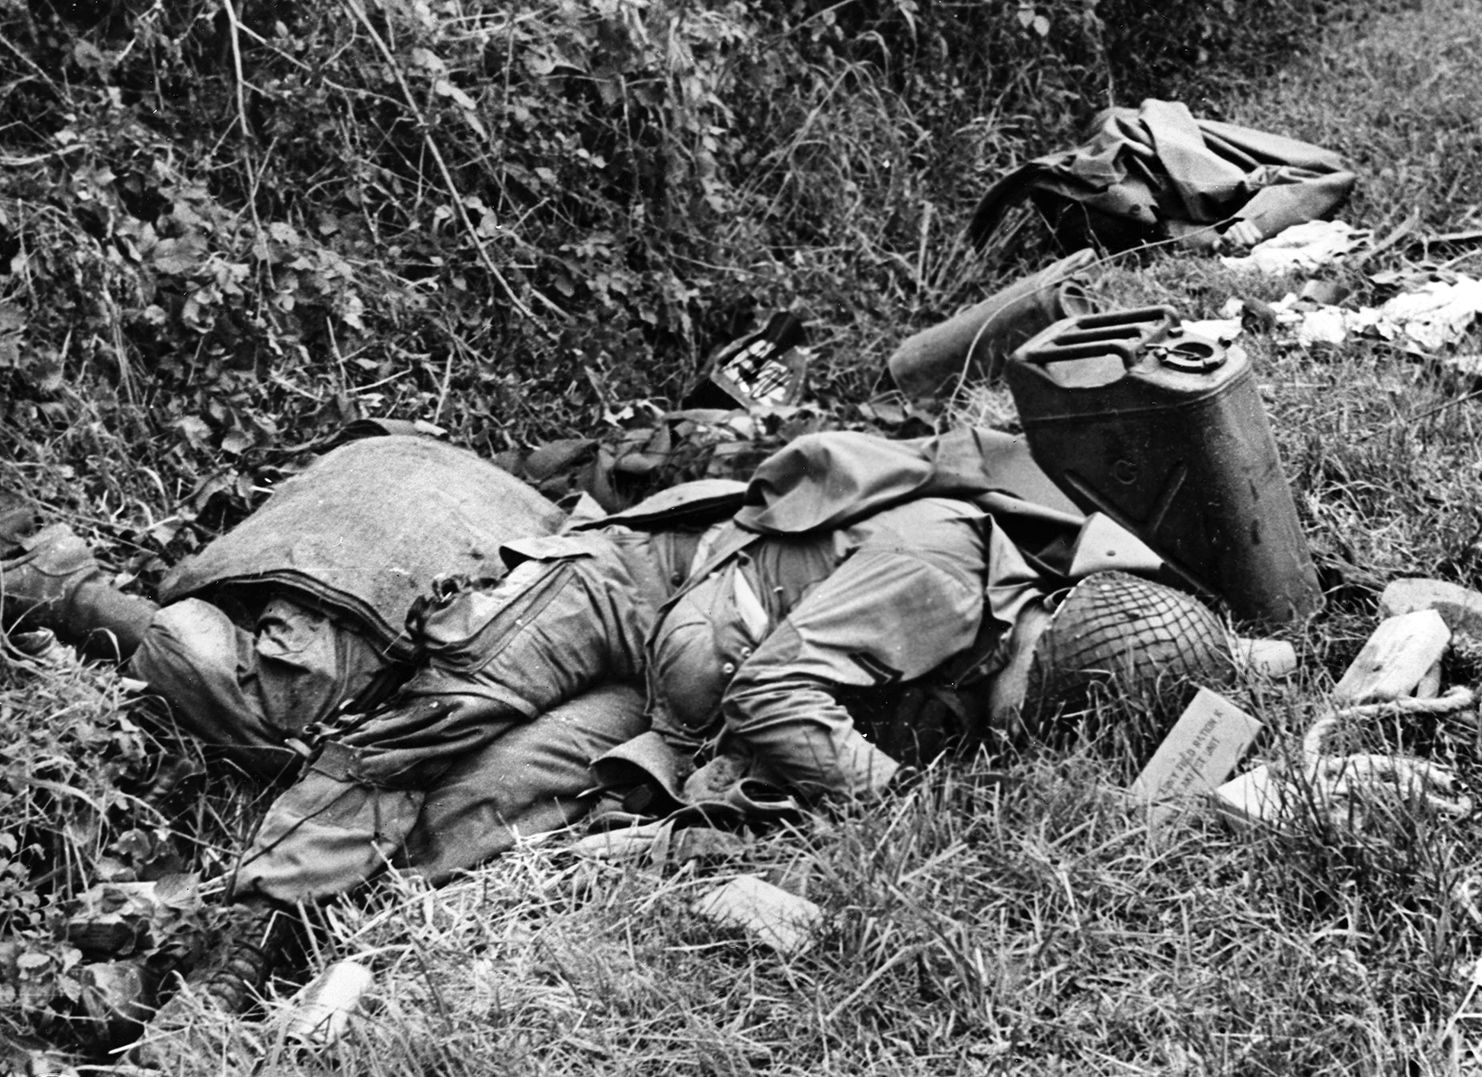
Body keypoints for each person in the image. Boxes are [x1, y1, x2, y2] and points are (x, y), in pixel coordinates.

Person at [1, 423, 1235, 1019]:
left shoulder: (1001, 620)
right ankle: (248, 926)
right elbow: (776, 696)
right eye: (1031, 713)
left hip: (667, 678)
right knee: (436, 717)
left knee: (495, 798)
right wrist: (889, 799)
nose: (1007, 735)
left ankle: (330, 926)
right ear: (1046, 648)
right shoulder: (949, 571)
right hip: (630, 588)